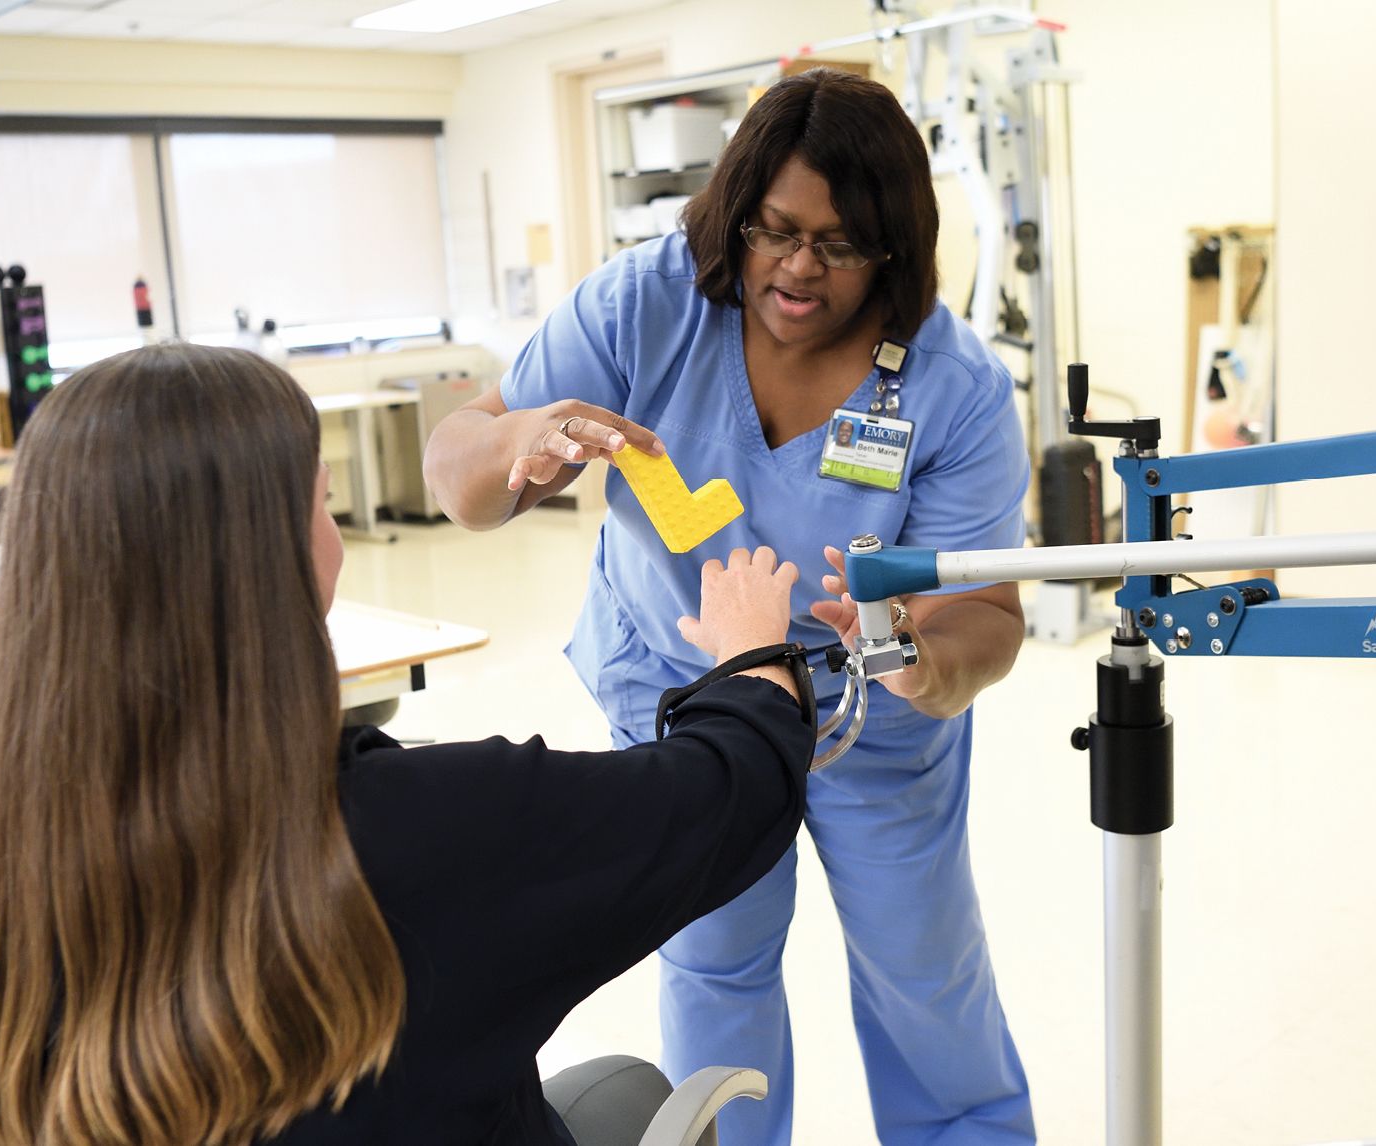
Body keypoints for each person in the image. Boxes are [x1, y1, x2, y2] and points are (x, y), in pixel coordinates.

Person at [0, 343, 819, 1146]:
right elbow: (730, 793)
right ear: (273, 560)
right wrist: (755, 658)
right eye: (320, 505)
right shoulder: (423, 838)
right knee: (623, 1091)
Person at [424, 68, 1033, 1144]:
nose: (798, 270)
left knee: (922, 975)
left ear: (893, 247)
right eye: (773, 230)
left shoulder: (950, 385)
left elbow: (985, 615)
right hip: (681, 689)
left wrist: (916, 659)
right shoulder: (646, 302)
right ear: (732, 211)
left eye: (840, 246)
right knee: (714, 967)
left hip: (871, 710)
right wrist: (524, 440)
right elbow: (458, 466)